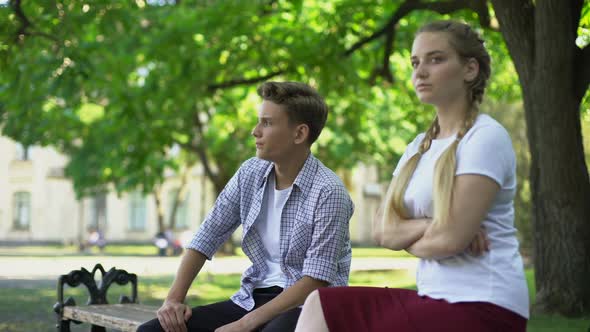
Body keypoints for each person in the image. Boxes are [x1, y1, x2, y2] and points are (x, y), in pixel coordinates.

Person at [295, 20, 529, 332]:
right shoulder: (419, 147)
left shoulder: (485, 138)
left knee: (325, 309)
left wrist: (433, 236)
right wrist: (432, 227)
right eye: (416, 62)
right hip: (434, 299)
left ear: (469, 69)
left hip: (484, 306)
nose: (420, 72)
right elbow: (382, 230)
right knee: (320, 303)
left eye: (436, 59)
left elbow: (448, 241)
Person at [138, 81, 354, 332]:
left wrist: (243, 325)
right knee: (152, 331)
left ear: (299, 134)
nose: (255, 131)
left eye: (267, 122)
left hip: (309, 307)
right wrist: (173, 300)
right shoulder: (250, 173)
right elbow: (207, 236)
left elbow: (315, 281)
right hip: (253, 298)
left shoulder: (329, 192)